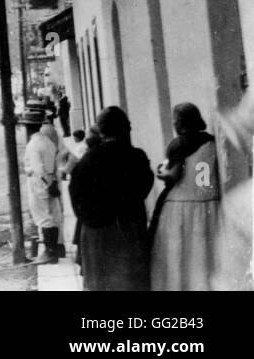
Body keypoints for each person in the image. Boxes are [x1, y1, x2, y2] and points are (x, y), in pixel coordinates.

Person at [69, 106, 153, 291]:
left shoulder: (88, 159)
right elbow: (145, 186)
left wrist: (92, 220)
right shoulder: (136, 157)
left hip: (97, 234)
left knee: (101, 283)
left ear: (101, 130)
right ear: (126, 128)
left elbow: (77, 196)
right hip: (129, 230)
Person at [149, 103, 220, 291]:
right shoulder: (212, 142)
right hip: (209, 205)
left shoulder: (179, 144)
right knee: (204, 257)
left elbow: (172, 175)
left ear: (179, 122)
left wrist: (160, 173)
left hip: (180, 207)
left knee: (180, 257)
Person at [23, 113, 65, 264]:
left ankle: (49, 252)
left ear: (28, 127)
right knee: (52, 215)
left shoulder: (33, 145)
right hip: (51, 179)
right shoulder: (47, 141)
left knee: (42, 217)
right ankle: (54, 250)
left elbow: (37, 168)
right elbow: (55, 161)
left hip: (38, 182)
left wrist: (46, 182)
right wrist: (52, 181)